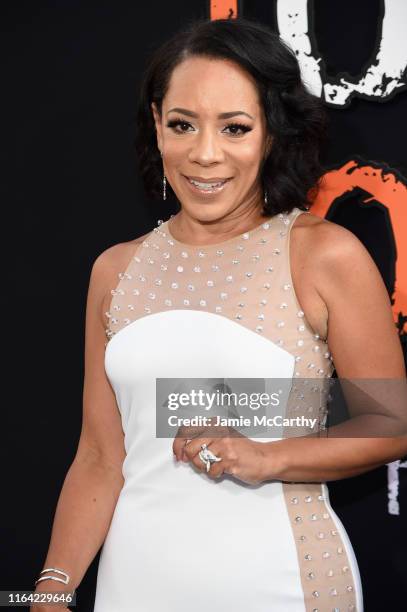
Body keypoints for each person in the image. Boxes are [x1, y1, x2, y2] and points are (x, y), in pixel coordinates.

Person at [32, 17, 407, 612]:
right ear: (157, 126)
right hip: (133, 586)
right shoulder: (115, 270)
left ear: (272, 134)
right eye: (183, 124)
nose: (205, 155)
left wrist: (266, 456)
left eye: (235, 128)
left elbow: (391, 425)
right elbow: (101, 457)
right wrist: (49, 591)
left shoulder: (322, 253)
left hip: (283, 581)